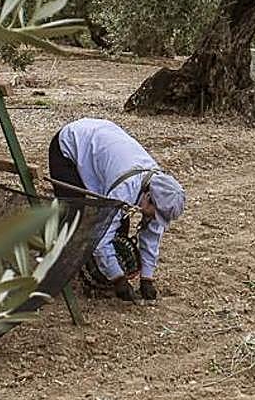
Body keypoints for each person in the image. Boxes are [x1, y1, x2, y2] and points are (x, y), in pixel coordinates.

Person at [47, 117, 185, 303]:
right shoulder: (125, 189)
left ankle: (102, 272)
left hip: (102, 141)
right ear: (148, 197)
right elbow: (101, 235)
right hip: (71, 144)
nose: (153, 218)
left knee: (120, 223)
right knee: (73, 215)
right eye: (154, 213)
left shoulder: (159, 188)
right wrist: (118, 279)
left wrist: (147, 278)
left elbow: (151, 233)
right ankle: (55, 263)